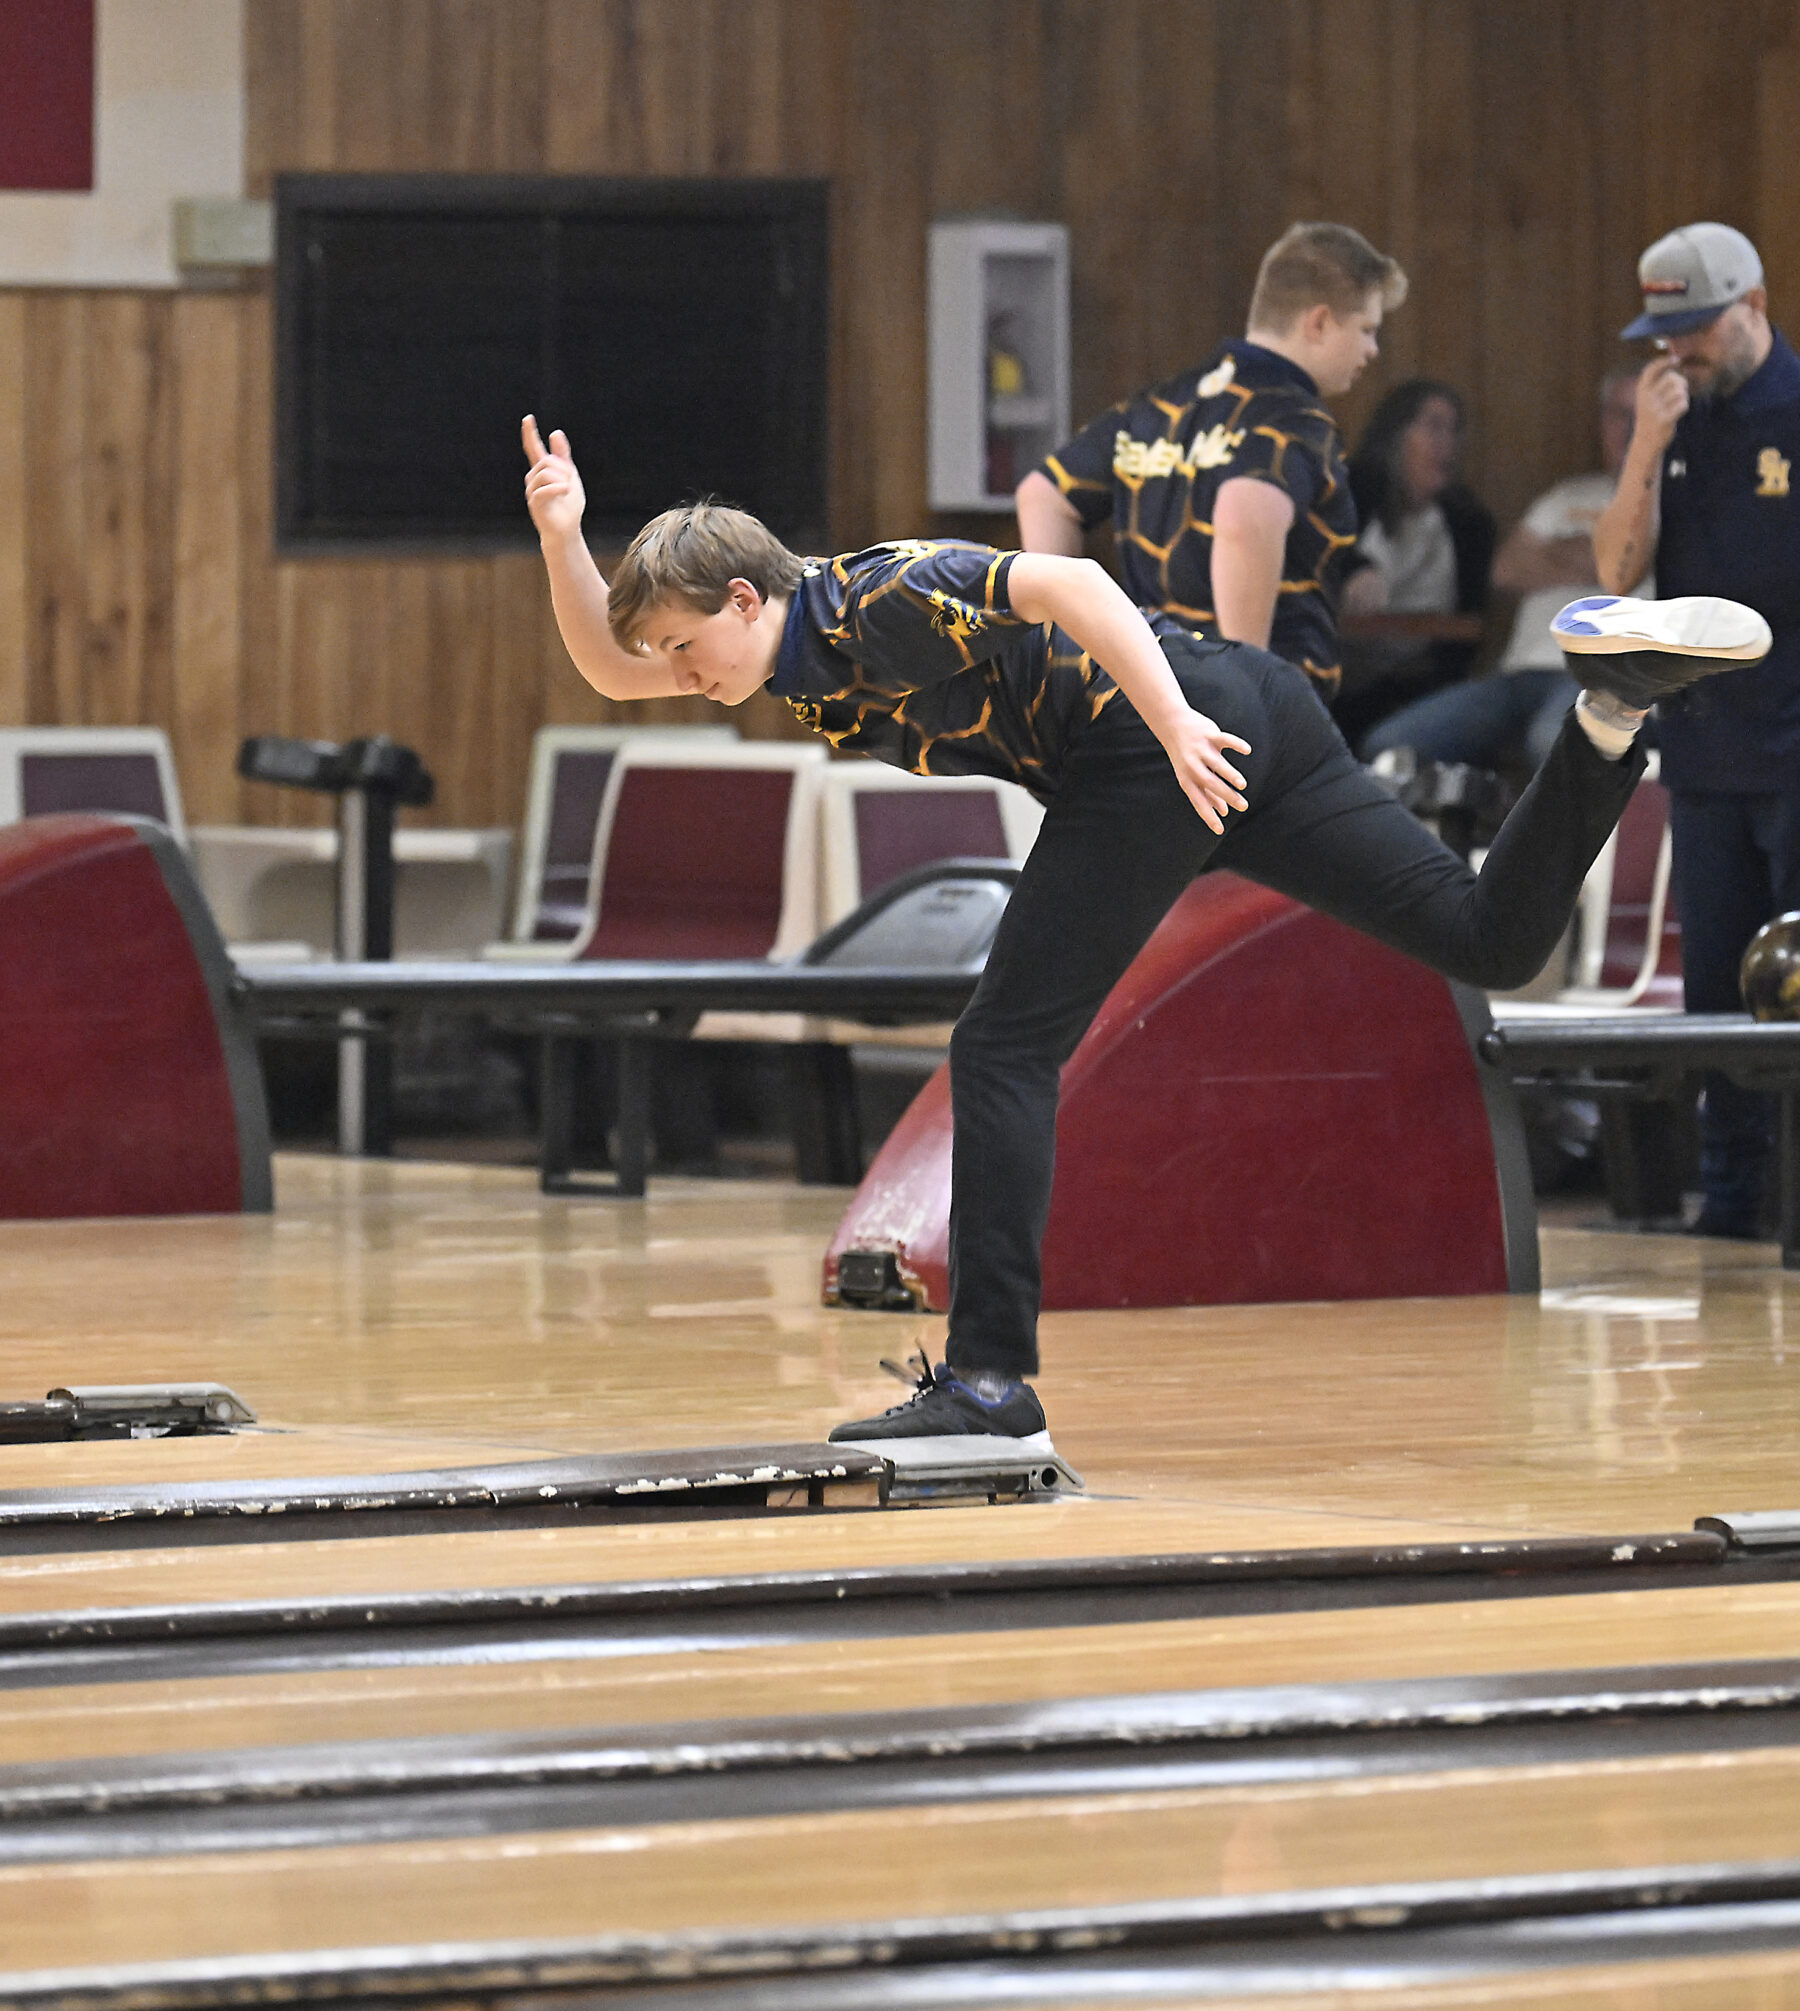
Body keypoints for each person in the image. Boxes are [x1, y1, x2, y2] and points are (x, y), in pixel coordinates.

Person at [521, 413, 1765, 1445]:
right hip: (1251, 711)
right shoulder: (780, 656)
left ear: (745, 598)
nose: (678, 677)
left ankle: (991, 1385)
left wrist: (1167, 725)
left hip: (1154, 740)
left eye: (688, 648)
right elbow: (608, 668)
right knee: (1489, 940)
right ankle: (1607, 714)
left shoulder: (872, 602)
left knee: (1003, 1045)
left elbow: (1065, 581)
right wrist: (563, 535)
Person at [1593, 221, 1800, 1240]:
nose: (1675, 354)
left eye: (1695, 330)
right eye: (1661, 335)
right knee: (1714, 981)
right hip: (1705, 748)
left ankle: (1787, 1201)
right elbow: (1612, 570)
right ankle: (1727, 1199)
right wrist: (1644, 444)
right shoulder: (1677, 423)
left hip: (1793, 743)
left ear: (1753, 307)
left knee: (1791, 981)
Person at [1017, 222, 1399, 698]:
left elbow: (1043, 494)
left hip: (1145, 697)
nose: (1372, 350)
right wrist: (1244, 693)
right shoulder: (1293, 418)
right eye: (1366, 328)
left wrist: (1060, 647)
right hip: (1248, 715)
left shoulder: (1158, 407)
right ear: (1318, 323)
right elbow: (1243, 515)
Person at [1367, 370, 1646, 775]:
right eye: (1621, 415)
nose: (1631, 429)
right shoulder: (1567, 496)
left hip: (1600, 674)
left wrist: (1557, 554)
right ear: (1603, 422)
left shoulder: (1670, 502)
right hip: (1519, 672)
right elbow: (1506, 568)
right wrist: (1594, 555)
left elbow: (1619, 565)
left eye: (1643, 417)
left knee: (1551, 743)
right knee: (1388, 747)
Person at [1331, 378, 1496, 746]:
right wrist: (1353, 570)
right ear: (1394, 434)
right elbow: (1311, 550)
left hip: (1421, 689)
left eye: (1454, 431)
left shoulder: (1470, 523)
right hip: (1336, 681)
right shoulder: (1350, 490)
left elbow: (1469, 627)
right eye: (1434, 427)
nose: (1446, 444)